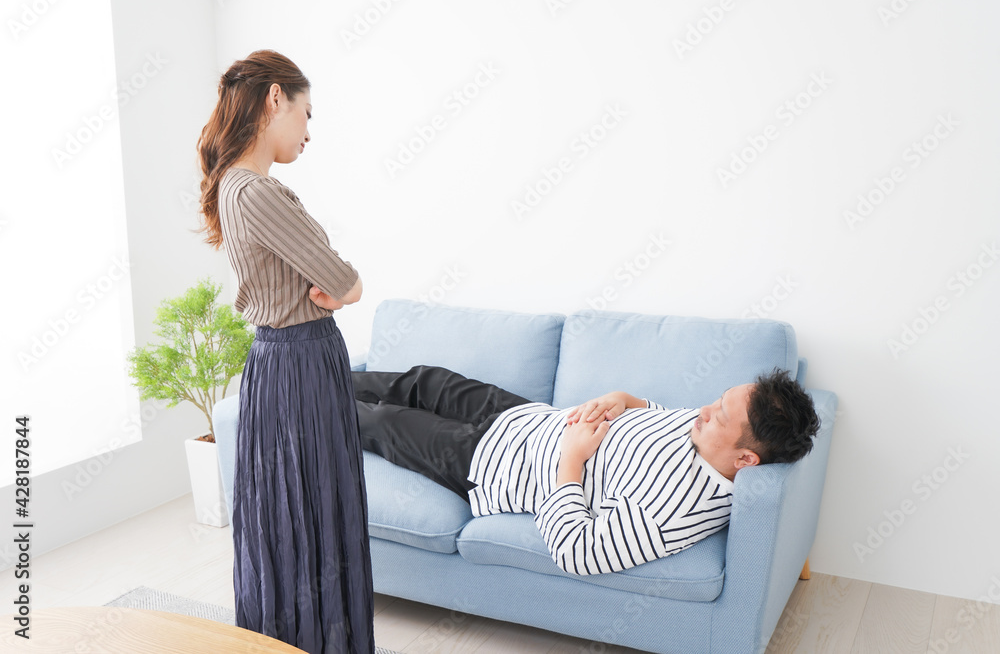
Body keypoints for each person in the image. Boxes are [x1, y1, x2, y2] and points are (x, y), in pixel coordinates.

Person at [195, 50, 373, 654]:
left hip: (283, 362)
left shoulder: (235, 187)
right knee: (313, 512)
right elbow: (345, 282)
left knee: (290, 515)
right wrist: (342, 288)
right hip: (301, 362)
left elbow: (331, 283)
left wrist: (335, 287)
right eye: (306, 113)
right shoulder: (258, 193)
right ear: (275, 98)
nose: (308, 132)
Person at [352, 364, 820, 576]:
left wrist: (571, 459)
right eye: (717, 400)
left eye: (719, 415)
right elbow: (654, 412)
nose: (703, 410)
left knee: (382, 421)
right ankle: (312, 371)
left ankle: (308, 406)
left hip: (491, 462)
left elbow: (577, 552)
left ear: (746, 460)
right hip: (524, 416)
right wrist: (622, 399)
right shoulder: (706, 434)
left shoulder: (674, 512)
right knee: (424, 380)